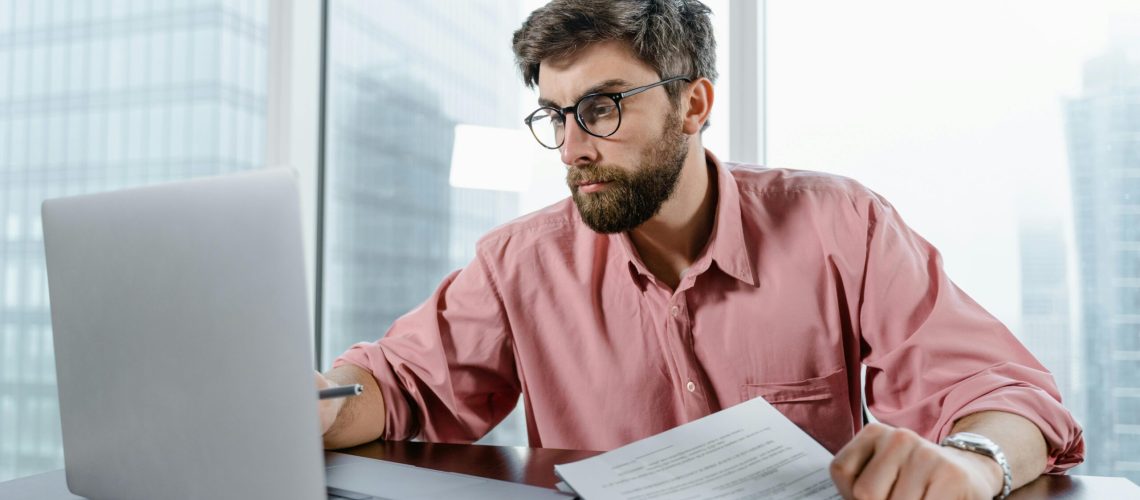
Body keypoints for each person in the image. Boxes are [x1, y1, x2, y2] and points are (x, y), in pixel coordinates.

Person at [316, 1, 1084, 497]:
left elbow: (1003, 391)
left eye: (602, 107)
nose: (572, 147)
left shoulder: (839, 225)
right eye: (555, 114)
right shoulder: (521, 262)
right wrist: (308, 404)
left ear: (694, 103)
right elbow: (397, 384)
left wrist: (974, 464)